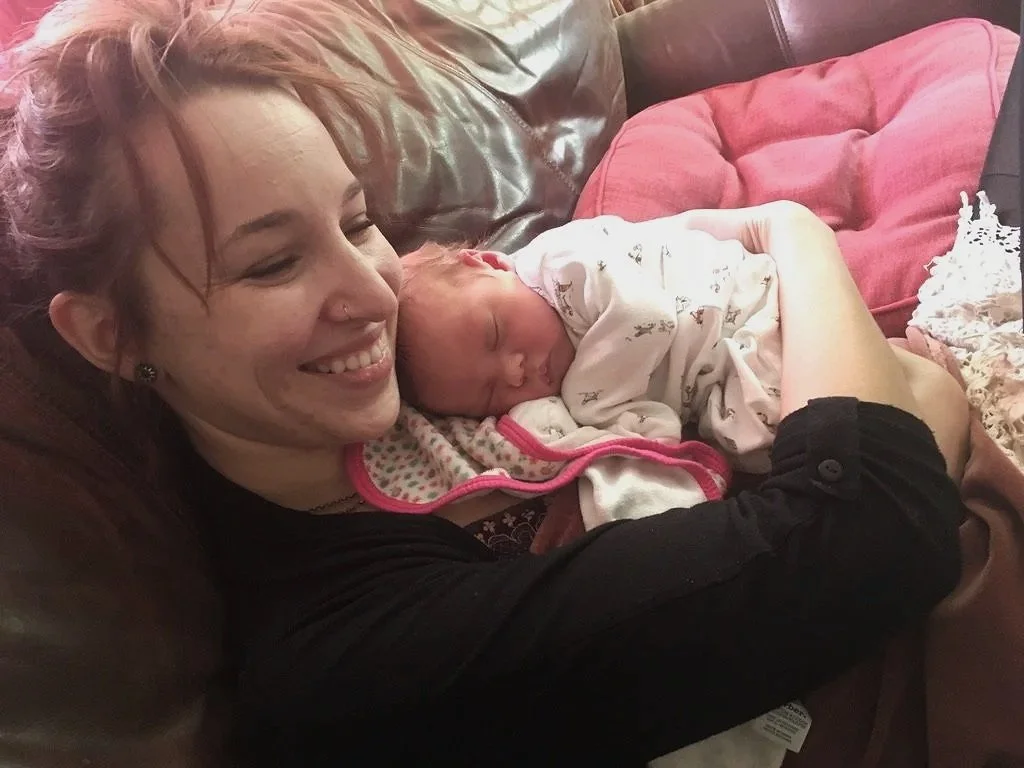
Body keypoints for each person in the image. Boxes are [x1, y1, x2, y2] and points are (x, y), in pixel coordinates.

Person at [0, 0, 971, 765]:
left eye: (354, 222)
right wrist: (792, 231)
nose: (371, 294)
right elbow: (877, 519)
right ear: (111, 335)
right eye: (269, 265)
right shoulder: (361, 662)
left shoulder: (405, 398)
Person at [396, 217, 783, 473]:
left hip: (751, 309)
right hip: (718, 379)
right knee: (752, 451)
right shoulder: (553, 384)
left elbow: (647, 316)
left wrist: (590, 404)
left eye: (495, 334)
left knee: (769, 437)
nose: (514, 372)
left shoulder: (561, 266)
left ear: (489, 264)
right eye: (488, 393)